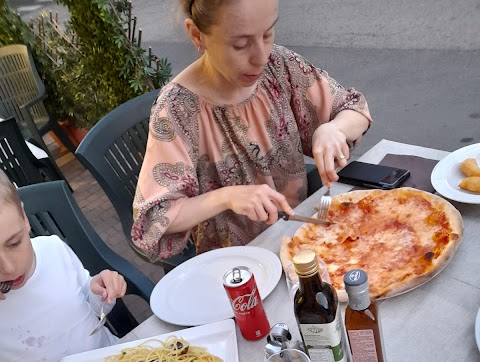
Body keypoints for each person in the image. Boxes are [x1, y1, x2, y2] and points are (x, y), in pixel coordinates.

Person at [132, 0, 372, 262]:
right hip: (239, 268)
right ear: (197, 35)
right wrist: (226, 197)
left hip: (306, 238)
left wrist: (333, 129)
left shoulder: (279, 66)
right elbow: (155, 218)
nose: (261, 56)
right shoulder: (177, 110)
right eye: (241, 44)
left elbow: (354, 109)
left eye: (268, 34)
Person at [0, 171, 127, 362]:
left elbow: (90, 308)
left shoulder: (54, 250)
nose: (9, 268)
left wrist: (100, 292)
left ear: (24, 217)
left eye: (14, 243)